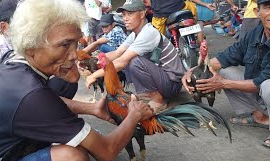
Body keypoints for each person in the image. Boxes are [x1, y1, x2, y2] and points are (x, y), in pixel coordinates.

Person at [0, 0, 155, 161]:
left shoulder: (14, 61)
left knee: (76, 137)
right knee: (72, 158)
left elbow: (47, 100)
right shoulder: (29, 94)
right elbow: (108, 152)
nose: (75, 54)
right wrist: (134, 115)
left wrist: (91, 109)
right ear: (32, 45)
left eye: (76, 42)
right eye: (65, 44)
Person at [182, 0, 270, 149]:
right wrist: (192, 71)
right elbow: (225, 58)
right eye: (268, 8)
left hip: (265, 86)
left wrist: (222, 83)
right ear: (257, 12)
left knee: (267, 84)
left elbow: (261, 81)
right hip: (260, 92)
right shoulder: (254, 34)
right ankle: (260, 117)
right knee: (223, 71)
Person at [86, 0, 185, 112]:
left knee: (134, 61)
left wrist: (94, 75)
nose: (125, 18)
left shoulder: (148, 33)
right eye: (123, 15)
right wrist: (92, 61)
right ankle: (147, 95)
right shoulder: (135, 34)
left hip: (172, 83)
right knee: (130, 59)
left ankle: (158, 100)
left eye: (130, 14)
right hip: (163, 78)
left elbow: (122, 61)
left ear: (142, 14)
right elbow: (117, 53)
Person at [0, 0, 77, 98]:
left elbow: (73, 76)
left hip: (39, 92)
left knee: (63, 82)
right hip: (17, 97)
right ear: (4, 27)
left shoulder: (39, 42)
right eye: (22, 22)